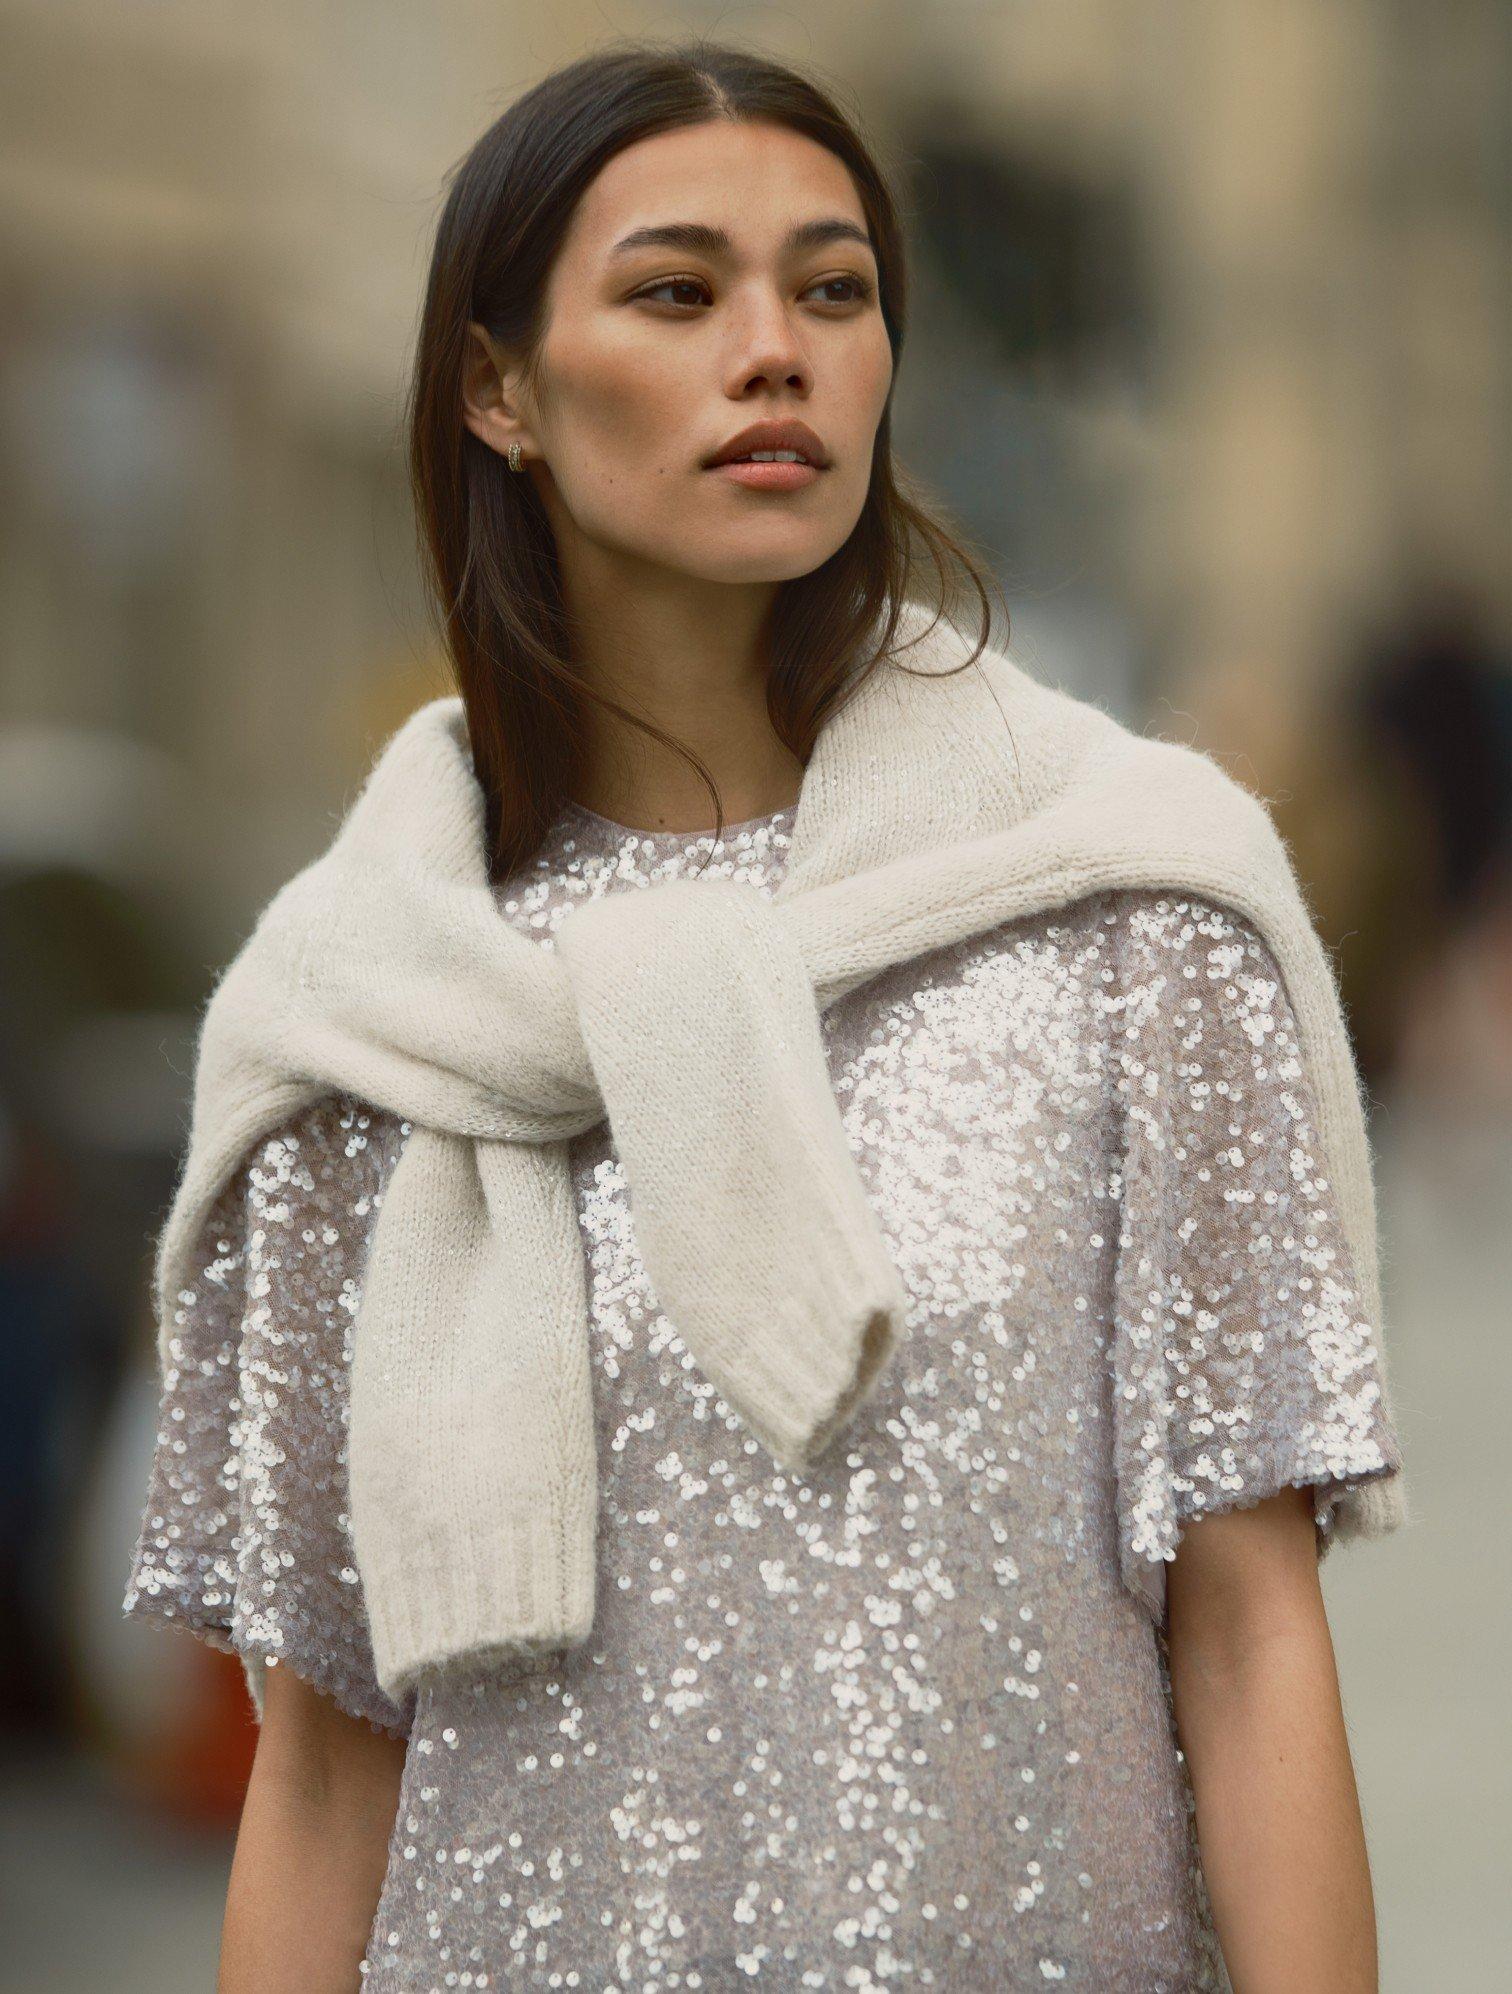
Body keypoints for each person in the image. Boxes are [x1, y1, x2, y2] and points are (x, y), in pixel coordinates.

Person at [123, 40, 1405, 1993]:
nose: (776, 347)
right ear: (499, 389)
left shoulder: (1126, 904)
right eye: (674, 291)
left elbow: (1247, 1634)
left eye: (833, 288)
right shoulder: (353, 1023)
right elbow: (319, 1776)